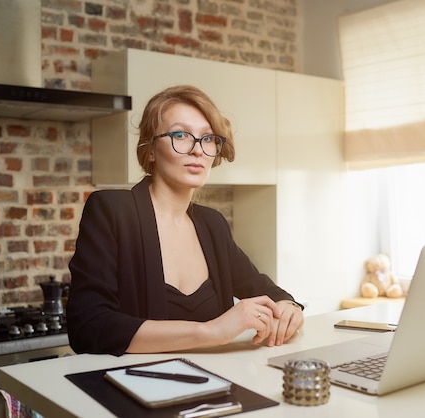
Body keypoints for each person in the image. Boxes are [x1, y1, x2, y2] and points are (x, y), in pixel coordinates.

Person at [66, 85, 304, 355]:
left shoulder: (212, 224)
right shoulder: (111, 210)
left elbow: (264, 288)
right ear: (151, 150)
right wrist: (212, 331)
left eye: (208, 138)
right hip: (135, 389)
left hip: (216, 387)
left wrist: (288, 307)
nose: (198, 150)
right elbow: (88, 328)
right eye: (180, 134)